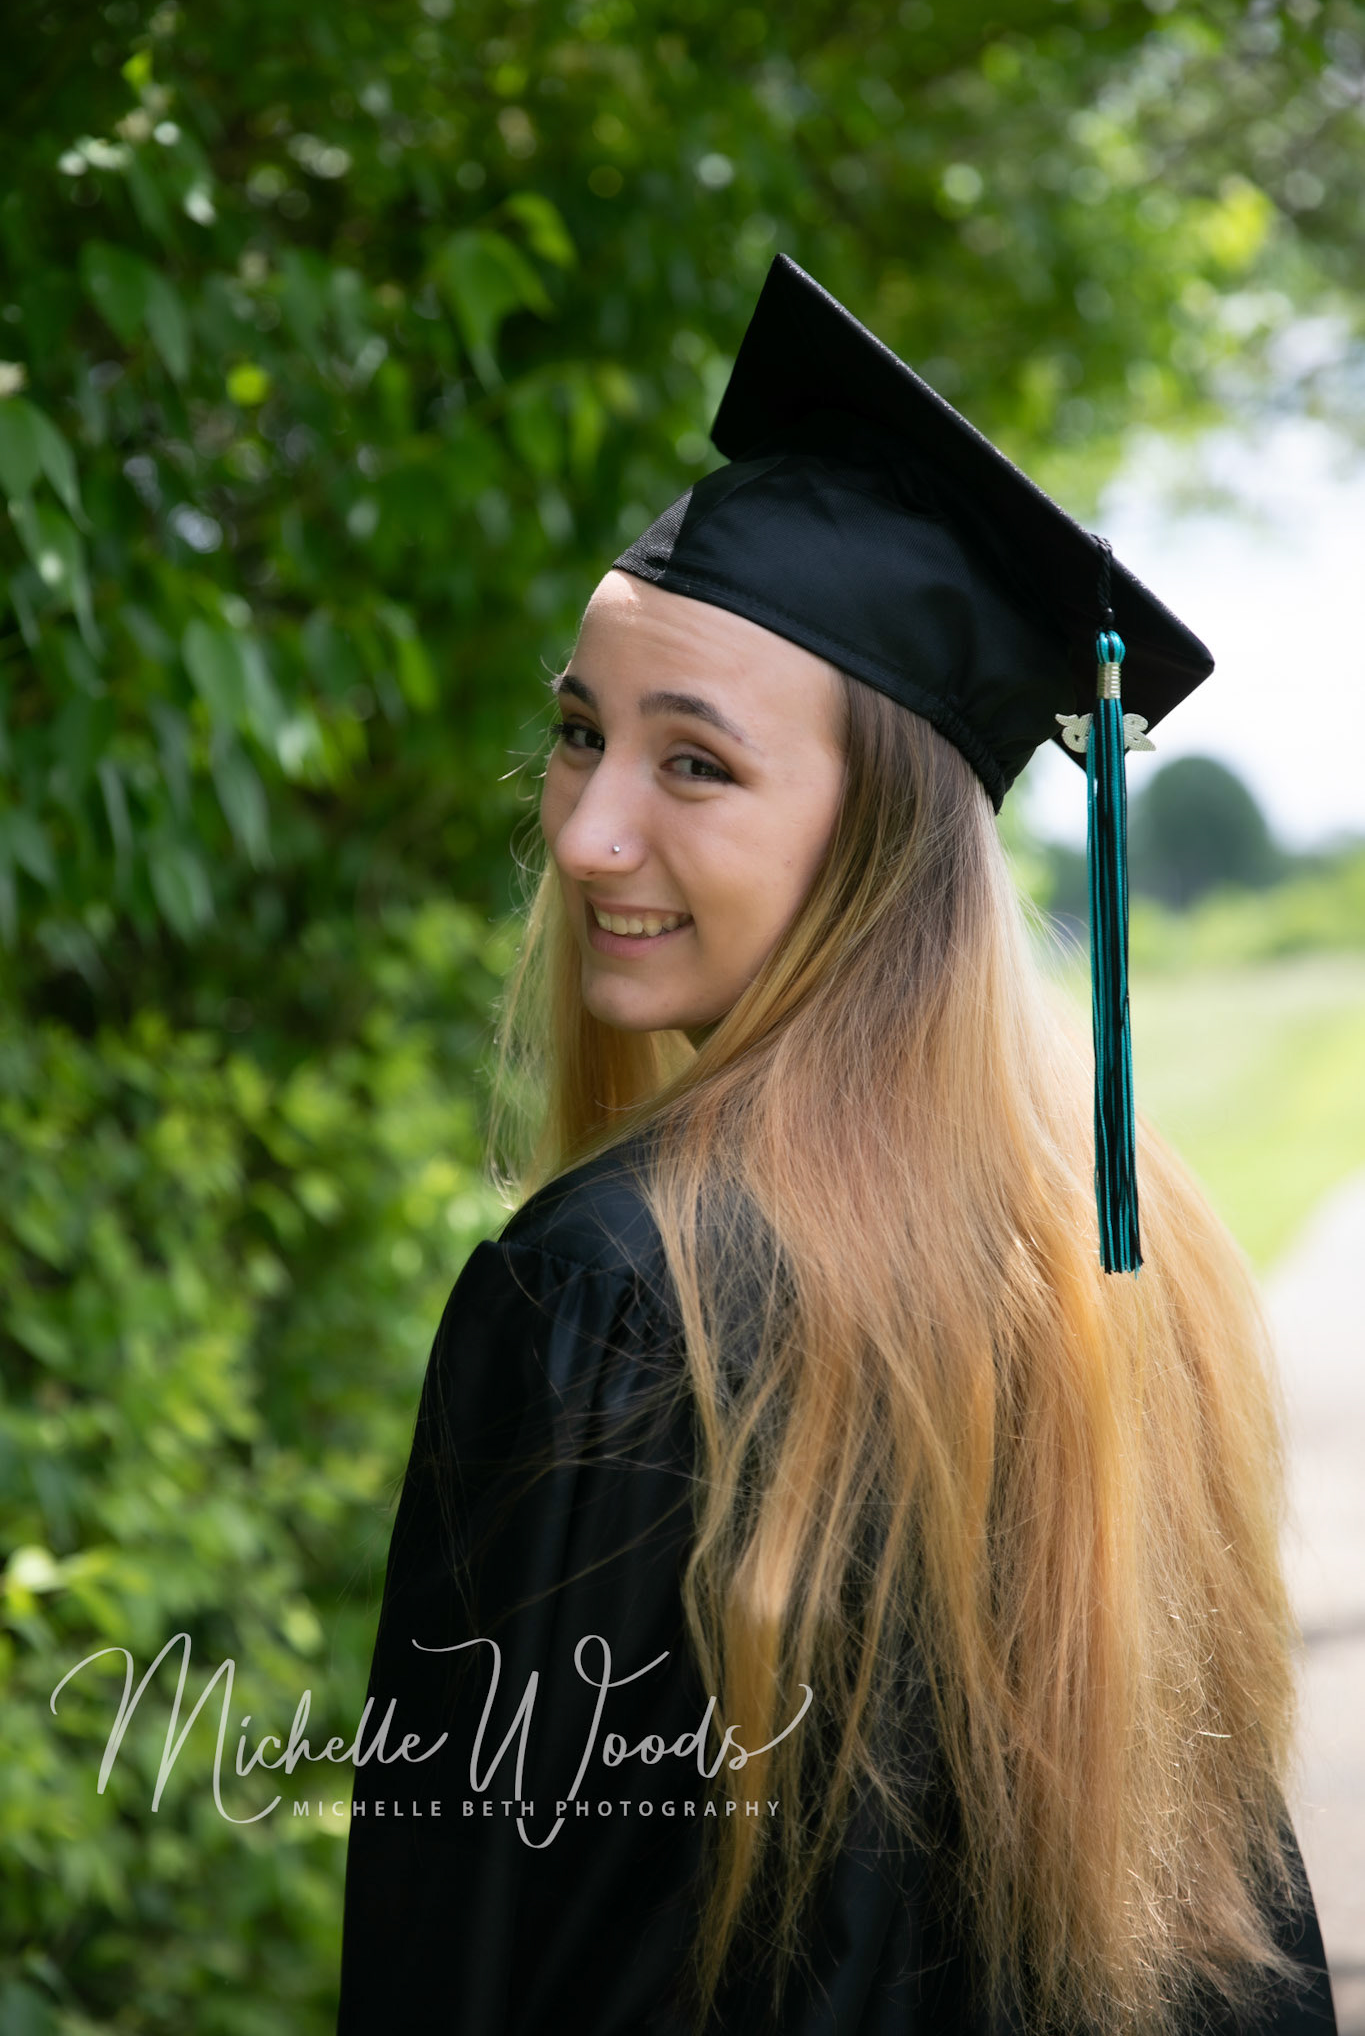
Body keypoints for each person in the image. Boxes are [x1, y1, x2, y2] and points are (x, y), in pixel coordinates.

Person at [336, 256, 1336, 2035]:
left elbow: (465, 1952)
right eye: (579, 735)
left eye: (695, 765)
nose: (584, 832)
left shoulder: (610, 1302)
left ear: (878, 842)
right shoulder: (1125, 1269)